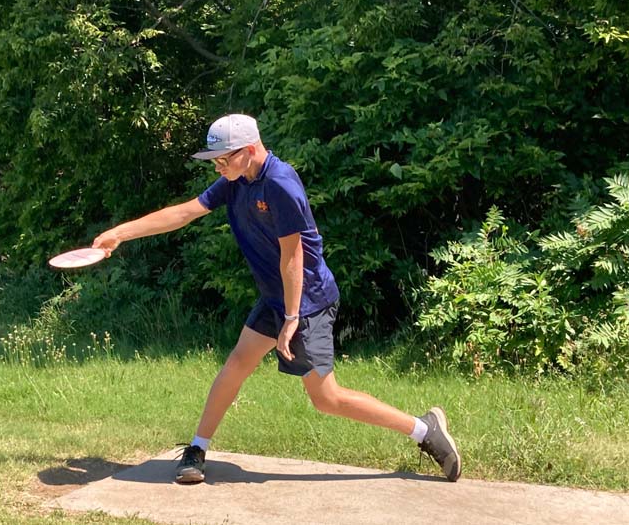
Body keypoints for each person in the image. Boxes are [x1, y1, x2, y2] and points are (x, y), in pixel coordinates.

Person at [92, 114, 461, 484]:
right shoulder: (237, 180)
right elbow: (186, 212)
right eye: (215, 161)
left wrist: (291, 318)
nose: (218, 167)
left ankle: (424, 429)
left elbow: (293, 256)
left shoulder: (280, 183)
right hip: (277, 297)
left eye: (223, 159)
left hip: (307, 302)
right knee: (238, 363)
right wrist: (119, 234)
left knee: (326, 399)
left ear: (250, 150)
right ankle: (198, 448)